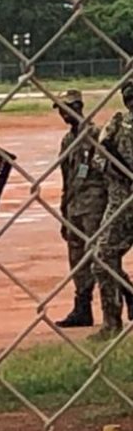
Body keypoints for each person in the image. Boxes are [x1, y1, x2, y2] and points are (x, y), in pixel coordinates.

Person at [53, 89, 107, 328]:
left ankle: (118, 298)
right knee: (76, 258)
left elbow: (108, 172)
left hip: (95, 205)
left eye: (67, 108)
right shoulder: (67, 140)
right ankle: (82, 306)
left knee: (99, 257)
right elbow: (65, 177)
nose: (63, 114)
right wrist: (64, 210)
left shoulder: (96, 135)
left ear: (78, 107)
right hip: (74, 205)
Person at [93, 81, 133, 339]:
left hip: (122, 203)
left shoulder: (119, 125)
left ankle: (112, 322)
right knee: (103, 256)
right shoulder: (117, 124)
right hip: (120, 200)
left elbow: (101, 161)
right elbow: (100, 159)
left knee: (103, 256)